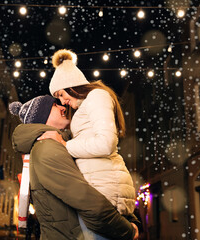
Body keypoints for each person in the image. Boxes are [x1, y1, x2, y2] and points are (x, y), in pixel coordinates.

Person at [9, 95, 139, 240]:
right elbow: (87, 200)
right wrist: (127, 230)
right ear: (42, 116)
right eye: (54, 105)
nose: (63, 107)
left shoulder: (55, 145)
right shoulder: (47, 149)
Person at [38, 49, 136, 238]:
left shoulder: (97, 97)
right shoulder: (87, 104)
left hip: (105, 191)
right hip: (100, 188)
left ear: (71, 85)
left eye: (61, 94)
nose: (62, 101)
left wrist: (66, 146)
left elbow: (106, 143)